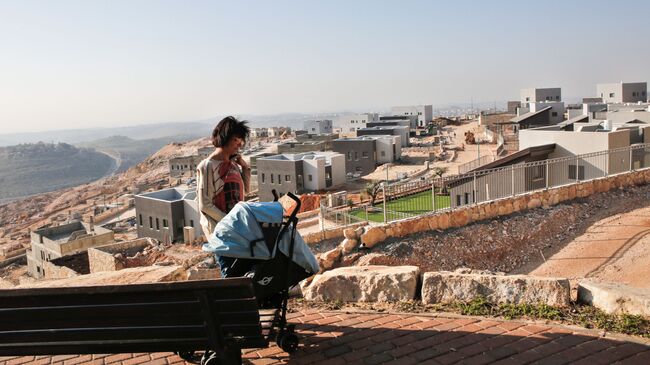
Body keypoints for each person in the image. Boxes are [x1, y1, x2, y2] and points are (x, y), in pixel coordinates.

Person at [196, 116, 251, 238]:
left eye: (241, 141)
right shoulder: (207, 166)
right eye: (236, 140)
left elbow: (245, 191)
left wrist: (245, 167)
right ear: (225, 137)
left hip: (237, 231)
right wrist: (230, 221)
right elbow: (205, 205)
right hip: (220, 233)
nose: (239, 145)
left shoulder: (233, 165)